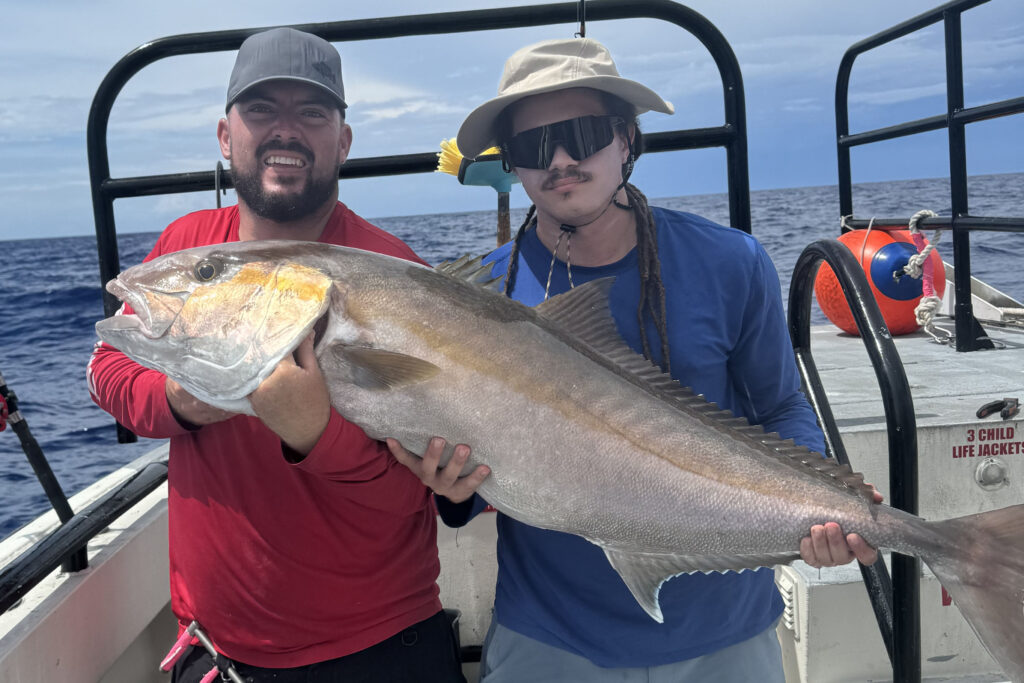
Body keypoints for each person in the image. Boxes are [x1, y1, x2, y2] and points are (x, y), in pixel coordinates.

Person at [389, 37, 879, 682]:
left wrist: (822, 495)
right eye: (535, 147)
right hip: (551, 632)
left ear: (626, 140)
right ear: (513, 165)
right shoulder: (480, 298)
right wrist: (453, 494)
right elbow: (482, 459)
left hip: (725, 624)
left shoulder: (731, 262)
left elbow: (780, 403)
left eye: (583, 135)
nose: (561, 160)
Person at [88, 28, 464, 683]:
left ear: (342, 140)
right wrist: (185, 399)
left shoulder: (398, 273)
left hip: (384, 651)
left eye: (312, 112)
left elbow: (414, 497)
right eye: (261, 109)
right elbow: (108, 368)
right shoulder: (187, 249)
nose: (285, 130)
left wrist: (316, 432)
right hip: (216, 651)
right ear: (225, 134)